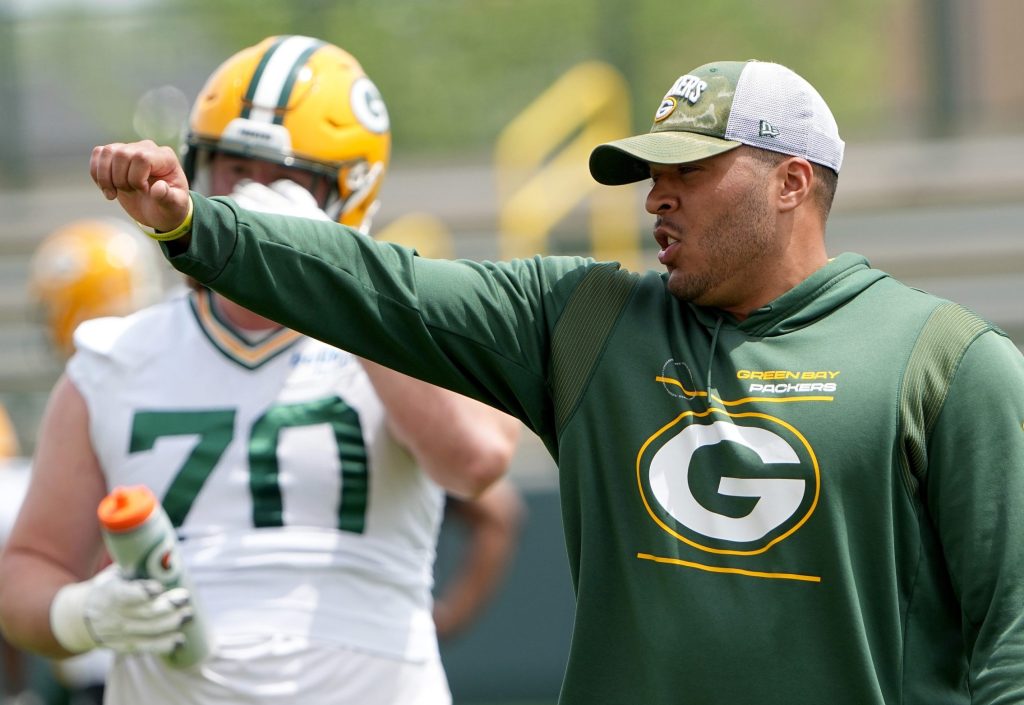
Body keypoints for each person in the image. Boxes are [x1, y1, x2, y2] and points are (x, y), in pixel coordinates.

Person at [84, 58, 1024, 704]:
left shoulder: (948, 361)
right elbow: (386, 287)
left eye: (692, 170)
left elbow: (1014, 632)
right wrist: (193, 224)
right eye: (652, 173)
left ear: (792, 182)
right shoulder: (588, 320)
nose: (657, 195)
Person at [0, 35, 521, 705]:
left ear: (350, 193)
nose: (249, 194)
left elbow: (475, 459)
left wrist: (337, 280)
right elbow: (27, 573)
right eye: (230, 168)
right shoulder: (115, 357)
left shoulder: (402, 328)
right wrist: (81, 614)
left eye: (287, 176)